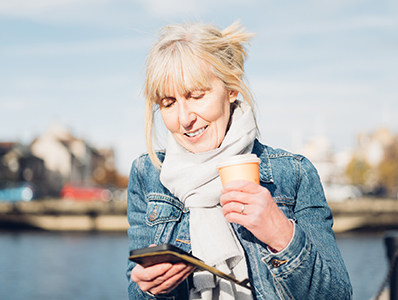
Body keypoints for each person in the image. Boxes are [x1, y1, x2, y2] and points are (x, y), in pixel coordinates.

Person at [126, 21, 352, 300]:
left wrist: (281, 235)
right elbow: (136, 293)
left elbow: (336, 295)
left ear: (231, 88)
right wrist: (152, 290)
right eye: (169, 103)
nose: (185, 119)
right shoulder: (147, 174)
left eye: (196, 95)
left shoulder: (293, 174)